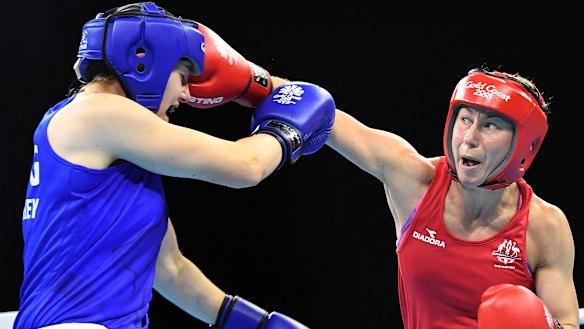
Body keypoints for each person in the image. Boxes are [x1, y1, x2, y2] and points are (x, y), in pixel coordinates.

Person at [15, 2, 336, 329]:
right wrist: (288, 129)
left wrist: (258, 324)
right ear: (144, 62)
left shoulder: (111, 147)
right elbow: (245, 165)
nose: (186, 94)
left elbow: (170, 269)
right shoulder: (98, 113)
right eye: (182, 76)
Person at [321, 68, 579, 328]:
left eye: (490, 125)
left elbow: (567, 322)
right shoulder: (416, 182)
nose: (469, 138)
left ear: (524, 143)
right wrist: (278, 86)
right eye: (465, 119)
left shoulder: (545, 226)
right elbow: (318, 113)